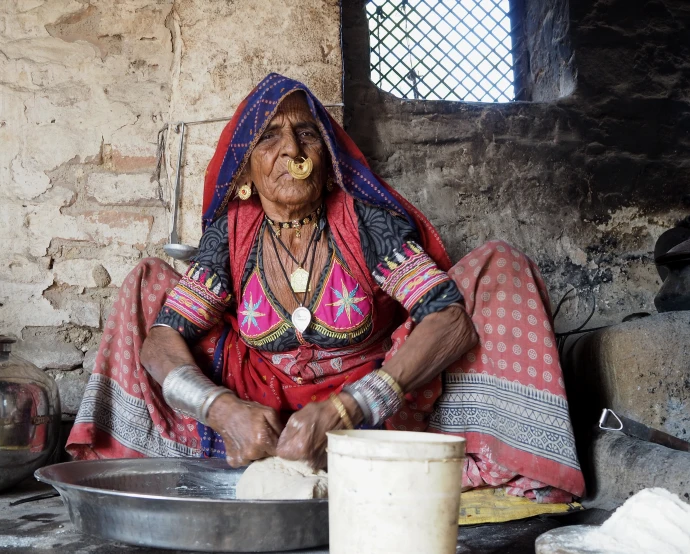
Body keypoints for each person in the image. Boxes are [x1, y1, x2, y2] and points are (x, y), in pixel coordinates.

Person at [67, 73, 585, 503]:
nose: (292, 148)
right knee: (147, 285)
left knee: (499, 266)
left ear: (327, 155)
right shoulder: (231, 234)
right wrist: (221, 409)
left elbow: (447, 319)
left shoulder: (364, 221)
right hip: (258, 411)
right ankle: (184, 463)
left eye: (307, 134)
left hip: (376, 409)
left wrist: (348, 409)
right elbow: (161, 340)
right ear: (246, 169)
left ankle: (497, 464)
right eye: (269, 136)